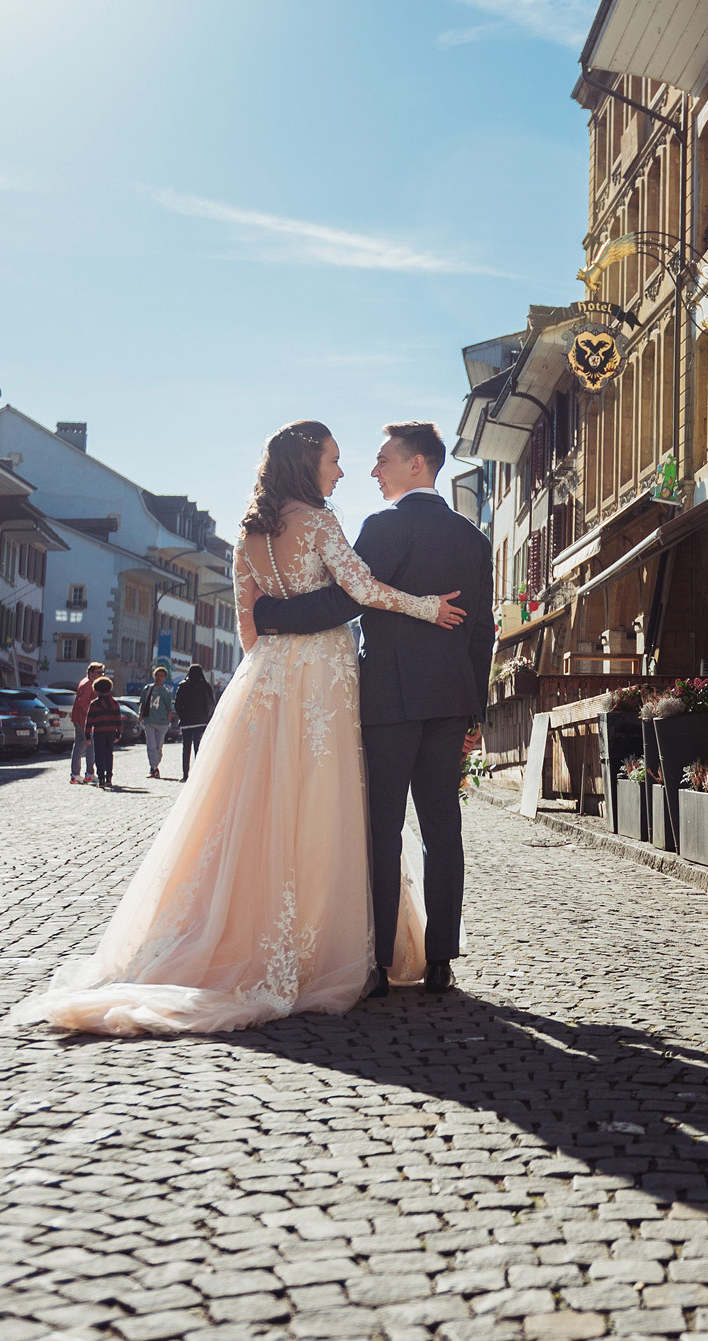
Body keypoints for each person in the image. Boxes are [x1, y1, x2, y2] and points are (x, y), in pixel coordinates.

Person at [21, 420, 467, 1035]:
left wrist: (271, 659)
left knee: (257, 809)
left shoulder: (248, 534)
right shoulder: (321, 522)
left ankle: (245, 932)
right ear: (307, 462)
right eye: (334, 461)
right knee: (326, 805)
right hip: (326, 679)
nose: (342, 472)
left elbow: (247, 628)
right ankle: (334, 947)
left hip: (270, 677)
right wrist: (428, 607)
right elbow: (359, 591)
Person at [252, 420, 493, 998]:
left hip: (388, 700)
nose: (372, 470)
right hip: (451, 701)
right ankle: (440, 963)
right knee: (443, 828)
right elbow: (483, 631)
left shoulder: (382, 526)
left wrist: (269, 616)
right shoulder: (474, 538)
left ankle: (379, 963)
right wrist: (476, 711)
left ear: (417, 465)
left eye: (383, 459)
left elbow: (343, 600)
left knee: (381, 828)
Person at [84, 676, 126, 789]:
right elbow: (118, 720)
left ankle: (101, 778)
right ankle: (109, 778)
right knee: (109, 755)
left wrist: (87, 735)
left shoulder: (94, 705)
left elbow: (89, 721)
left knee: (99, 755)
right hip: (111, 732)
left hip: (98, 732)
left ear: (96, 690)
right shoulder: (114, 703)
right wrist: (119, 733)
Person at [173, 663, 214, 778]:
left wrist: (183, 714)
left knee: (186, 748)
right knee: (198, 747)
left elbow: (177, 704)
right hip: (201, 720)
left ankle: (185, 774)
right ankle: (198, 774)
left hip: (186, 721)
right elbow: (211, 703)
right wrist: (206, 715)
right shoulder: (205, 686)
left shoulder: (183, 686)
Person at [69, 663, 104, 784]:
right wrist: (91, 716)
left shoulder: (85, 682)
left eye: (102, 673)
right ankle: (89, 773)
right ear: (91, 673)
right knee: (90, 746)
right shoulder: (89, 684)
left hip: (79, 718)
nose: (101, 675)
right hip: (83, 719)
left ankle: (75, 774)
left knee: (79, 746)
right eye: (99, 672)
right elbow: (82, 703)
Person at [141, 665, 175, 778]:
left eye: (161, 676)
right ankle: (154, 768)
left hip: (162, 722)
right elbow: (143, 703)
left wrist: (168, 722)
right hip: (149, 720)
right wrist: (140, 716)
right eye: (157, 675)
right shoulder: (147, 689)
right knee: (151, 745)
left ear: (164, 678)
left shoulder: (166, 691)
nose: (158, 677)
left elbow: (169, 708)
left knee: (158, 747)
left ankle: (155, 764)